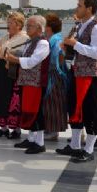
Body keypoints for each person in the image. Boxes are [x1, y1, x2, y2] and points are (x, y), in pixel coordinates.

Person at [56, 0, 97, 163]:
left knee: (90, 111)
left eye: (79, 5)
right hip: (76, 71)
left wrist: (74, 44)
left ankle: (89, 149)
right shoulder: (81, 26)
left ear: (89, 8)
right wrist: (66, 48)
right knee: (74, 108)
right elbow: (78, 50)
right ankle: (75, 145)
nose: (76, 8)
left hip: (90, 75)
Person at [6, 15, 50, 154]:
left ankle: (40, 142)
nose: (27, 28)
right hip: (27, 82)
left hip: (36, 83)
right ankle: (31, 139)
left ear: (39, 28)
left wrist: (15, 59)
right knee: (28, 111)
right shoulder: (31, 42)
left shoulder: (43, 43)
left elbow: (32, 61)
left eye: (30, 26)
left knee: (36, 112)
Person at [0, 12, 29, 139]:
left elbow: (6, 51)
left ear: (18, 25)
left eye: (11, 23)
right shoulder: (6, 37)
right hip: (1, 68)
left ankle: (16, 130)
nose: (8, 25)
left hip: (13, 70)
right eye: (8, 22)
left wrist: (4, 52)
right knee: (0, 96)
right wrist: (3, 52)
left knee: (13, 98)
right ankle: (3, 128)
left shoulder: (24, 38)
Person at [42, 13, 69, 141]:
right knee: (51, 103)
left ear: (49, 27)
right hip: (53, 74)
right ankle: (50, 129)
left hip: (55, 75)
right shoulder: (54, 39)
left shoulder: (56, 41)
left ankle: (53, 131)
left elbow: (58, 58)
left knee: (53, 102)